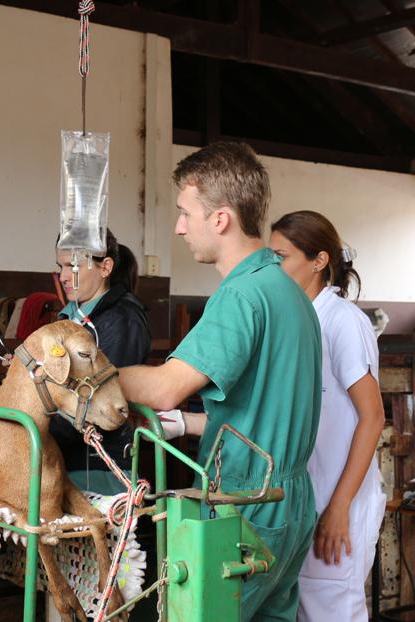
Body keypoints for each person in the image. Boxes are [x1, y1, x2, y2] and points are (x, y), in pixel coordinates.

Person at [118, 141, 322, 621]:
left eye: (186, 213)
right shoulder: (289, 293)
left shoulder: (241, 296)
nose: (179, 226)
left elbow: (167, 386)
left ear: (221, 218)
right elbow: (263, 403)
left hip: (245, 501)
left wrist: (94, 371)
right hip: (290, 500)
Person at [269, 211, 385, 622]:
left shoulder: (344, 322)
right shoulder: (301, 321)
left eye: (281, 256)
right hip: (306, 506)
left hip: (339, 507)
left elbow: (373, 418)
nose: (273, 268)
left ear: (319, 260)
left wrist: (338, 508)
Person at [52, 230, 151, 494]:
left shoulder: (122, 321)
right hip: (63, 455)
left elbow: (99, 397)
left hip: (101, 465)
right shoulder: (70, 317)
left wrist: (38, 431)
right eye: (59, 267)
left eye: (71, 267)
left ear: (105, 267)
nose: (62, 277)